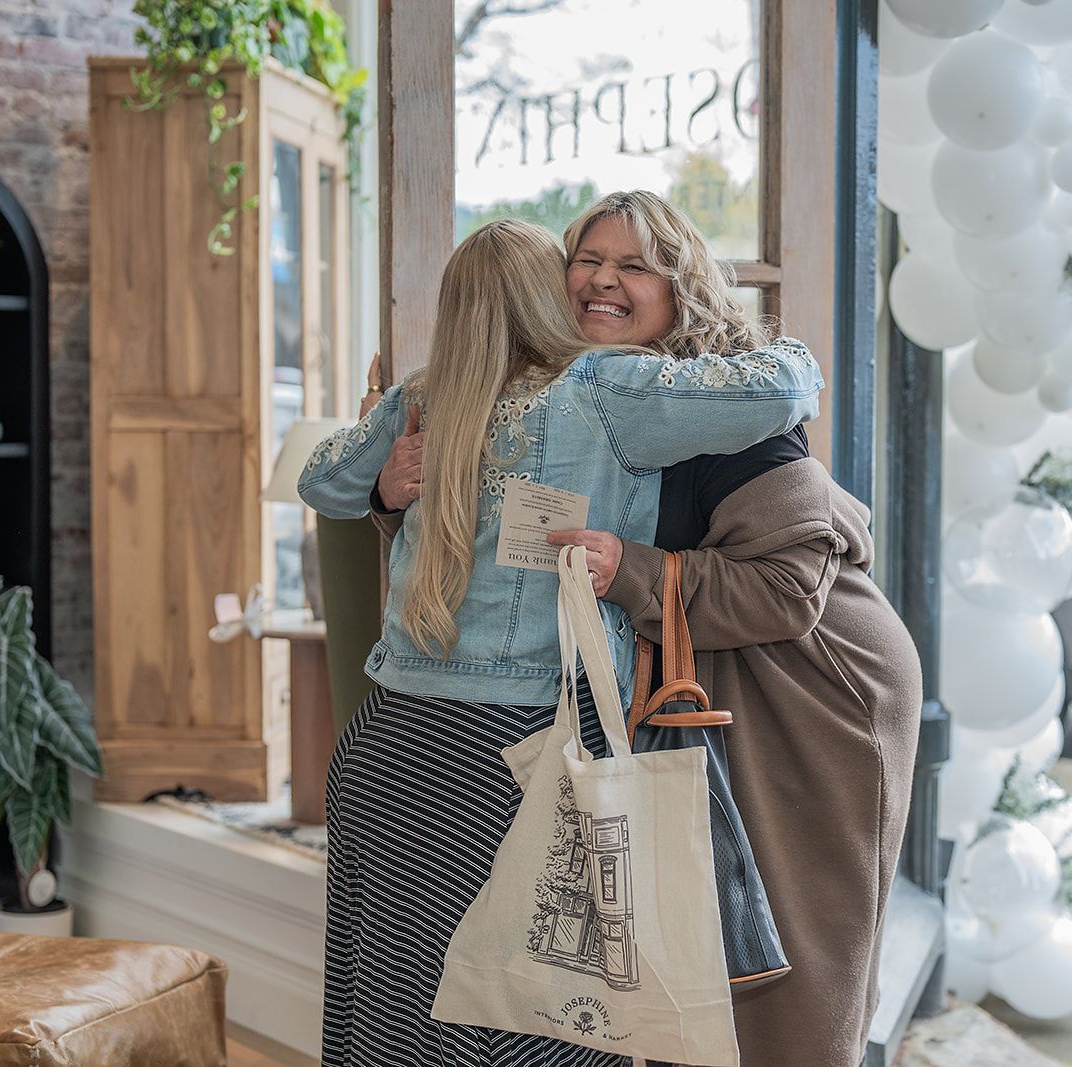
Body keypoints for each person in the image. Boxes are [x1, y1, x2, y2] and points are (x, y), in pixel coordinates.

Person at [376, 190, 921, 1067]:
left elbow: (791, 587)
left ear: (682, 286)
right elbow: (482, 556)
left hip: (810, 686)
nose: (603, 280)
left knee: (774, 963)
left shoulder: (717, 408)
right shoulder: (565, 398)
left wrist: (629, 569)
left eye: (634, 265)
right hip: (696, 670)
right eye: (587, 260)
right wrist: (391, 489)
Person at [298, 216, 823, 1067]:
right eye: (584, 265)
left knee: (392, 1020)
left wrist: (385, 482)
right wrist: (780, 343)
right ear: (552, 292)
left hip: (385, 748)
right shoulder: (604, 389)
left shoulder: (421, 398)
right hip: (518, 758)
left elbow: (320, 478)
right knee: (543, 1021)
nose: (600, 285)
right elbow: (782, 389)